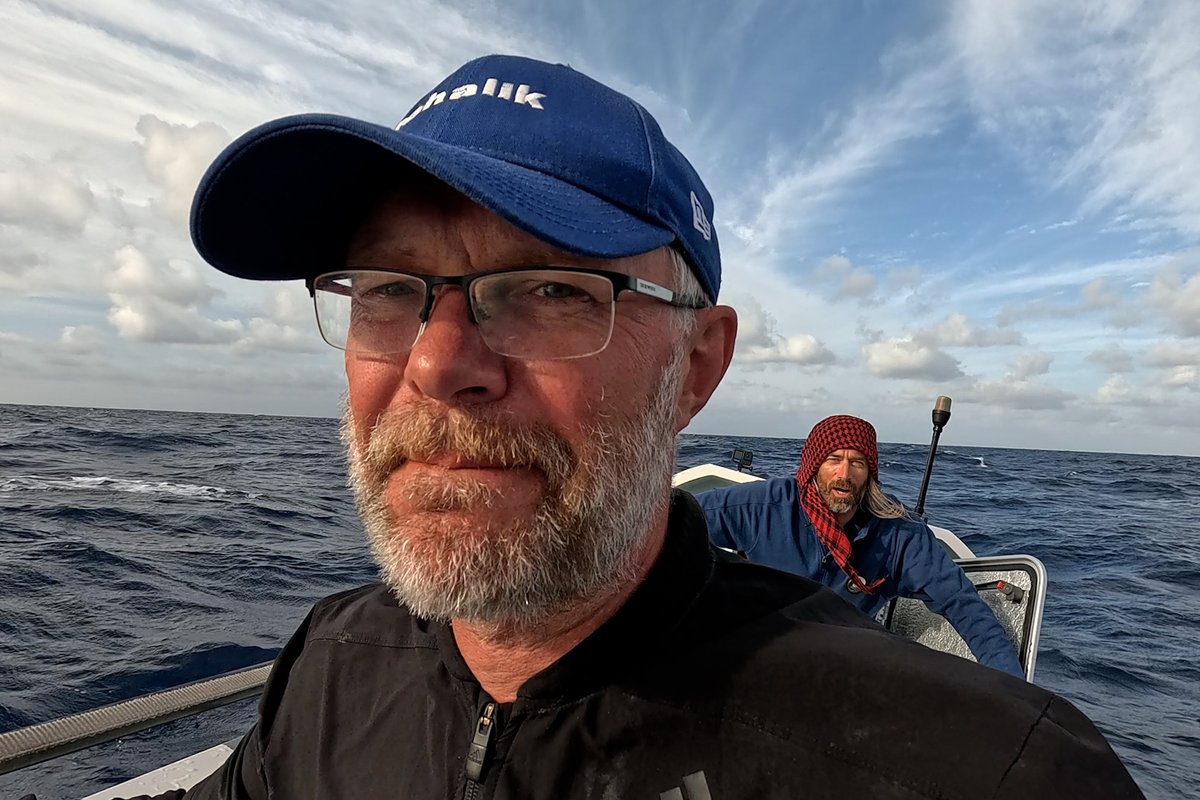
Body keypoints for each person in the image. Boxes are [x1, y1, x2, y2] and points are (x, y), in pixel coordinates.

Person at [85, 54, 1141, 799]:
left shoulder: (975, 767)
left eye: (547, 289)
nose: (437, 362)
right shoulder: (330, 661)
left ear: (697, 366)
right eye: (386, 288)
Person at [699, 414, 1026, 678]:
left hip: (840, 664)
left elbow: (962, 604)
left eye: (857, 463)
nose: (844, 474)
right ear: (813, 467)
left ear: (870, 473)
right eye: (833, 459)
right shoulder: (765, 507)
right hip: (759, 648)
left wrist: (1011, 687)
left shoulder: (900, 535)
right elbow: (674, 522)